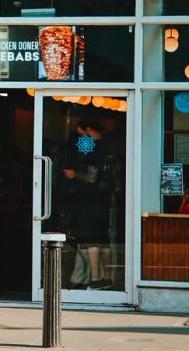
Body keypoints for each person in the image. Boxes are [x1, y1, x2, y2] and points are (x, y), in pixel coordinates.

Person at [61, 120, 115, 291]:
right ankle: (107, 278)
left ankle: (96, 279)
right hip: (106, 199)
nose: (82, 138)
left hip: (90, 200)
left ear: (89, 130)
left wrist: (74, 175)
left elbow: (91, 177)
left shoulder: (92, 151)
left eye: (82, 134)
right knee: (104, 242)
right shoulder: (109, 148)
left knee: (91, 239)